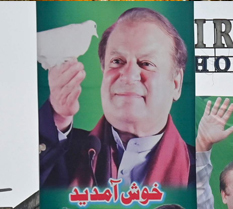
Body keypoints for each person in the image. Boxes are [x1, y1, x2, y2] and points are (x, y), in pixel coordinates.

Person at [39, 7, 194, 189]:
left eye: (146, 63)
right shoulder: (67, 153)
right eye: (117, 61)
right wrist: (59, 115)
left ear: (176, 84)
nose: (128, 75)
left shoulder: (198, 170)